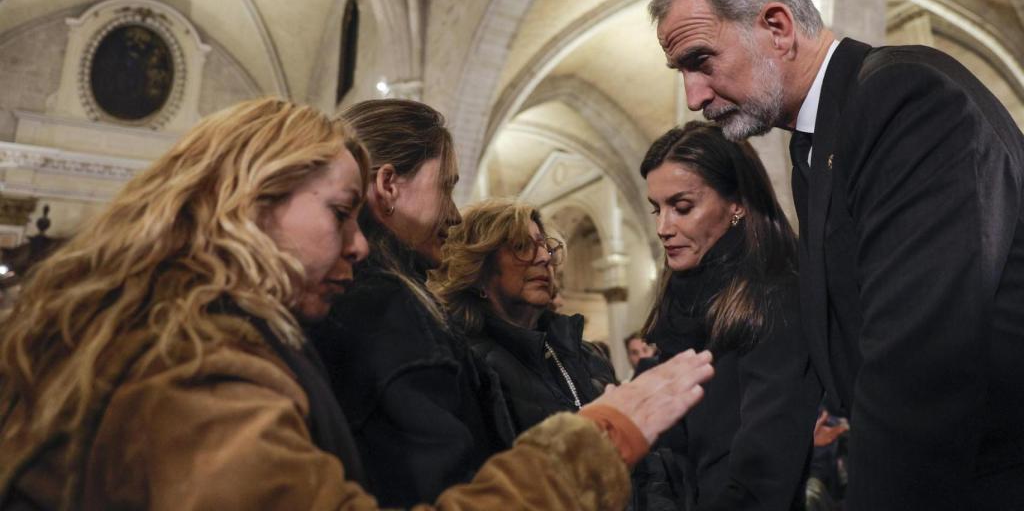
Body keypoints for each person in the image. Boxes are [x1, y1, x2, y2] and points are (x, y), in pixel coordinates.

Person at [0, 97, 716, 510]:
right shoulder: (188, 367)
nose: (360, 244)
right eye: (340, 213)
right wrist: (597, 441)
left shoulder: (174, 332)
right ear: (252, 203)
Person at [649, 0, 1024, 508]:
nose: (694, 95)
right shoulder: (819, 140)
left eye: (701, 61)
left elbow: (918, 367)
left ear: (777, 27)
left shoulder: (900, 98)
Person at [307, 99, 509, 507]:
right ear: (388, 185)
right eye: (446, 187)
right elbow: (441, 487)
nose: (456, 216)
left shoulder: (337, 297)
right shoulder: (386, 305)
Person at [640, 121, 820, 510]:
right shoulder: (681, 301)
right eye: (657, 209)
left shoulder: (775, 297)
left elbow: (766, 466)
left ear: (737, 203)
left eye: (682, 207)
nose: (662, 228)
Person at [430, 198, 618, 434]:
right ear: (477, 269)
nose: (544, 257)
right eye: (521, 246)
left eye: (545, 246)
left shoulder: (587, 354)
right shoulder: (465, 368)